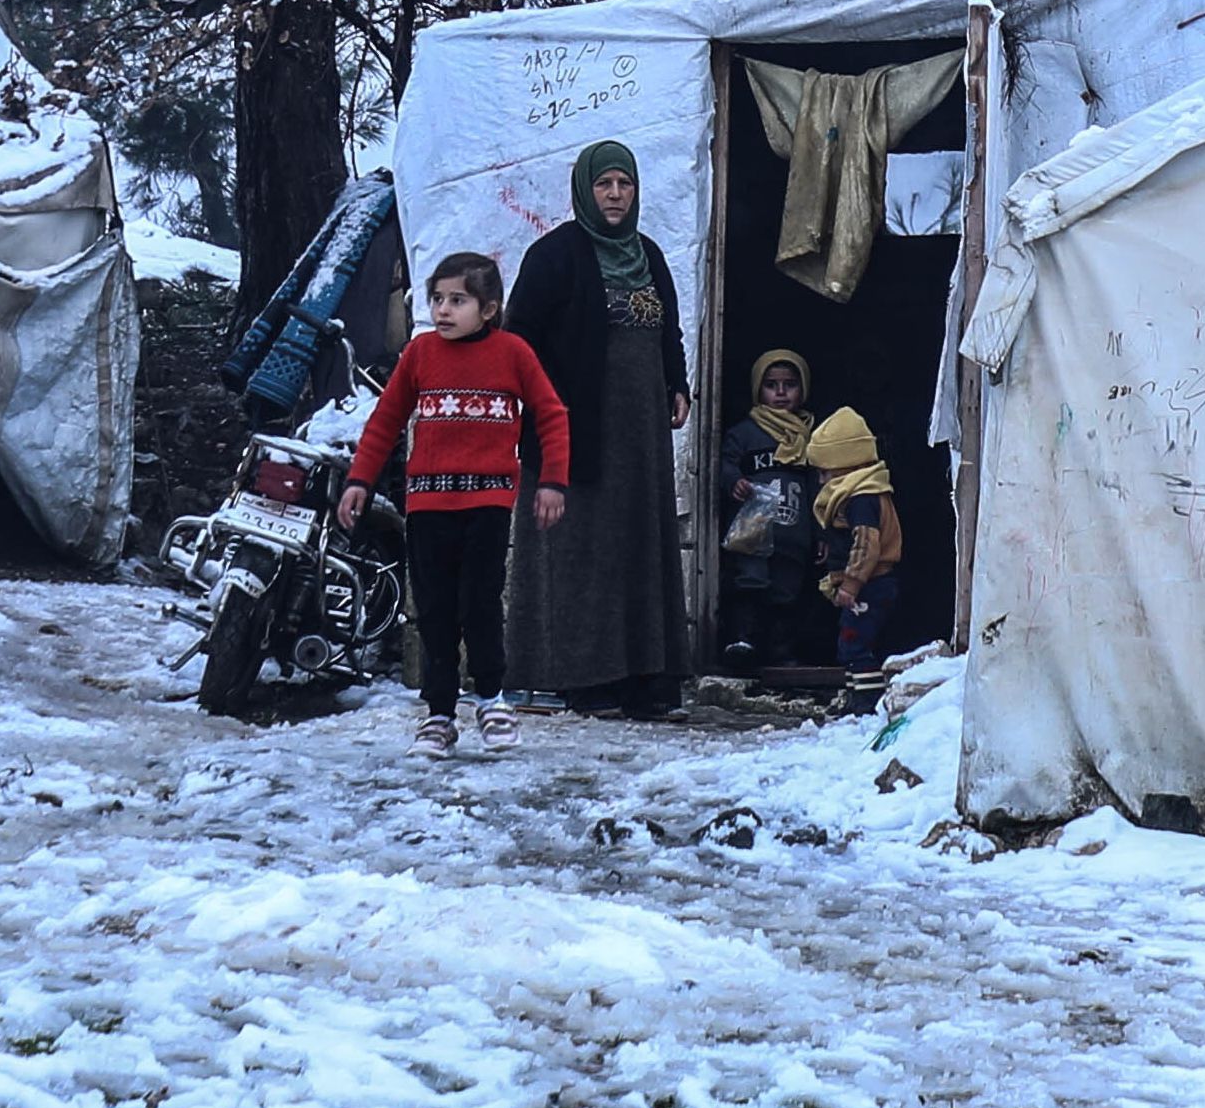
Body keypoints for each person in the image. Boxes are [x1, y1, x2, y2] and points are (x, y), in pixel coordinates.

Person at [340, 247, 566, 755]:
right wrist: (360, 480)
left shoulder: (514, 354)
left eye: (457, 300)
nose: (443, 310)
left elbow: (551, 415)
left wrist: (552, 481)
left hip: (488, 505)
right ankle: (439, 714)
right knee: (436, 613)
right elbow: (385, 421)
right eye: (437, 299)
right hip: (426, 507)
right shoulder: (419, 355)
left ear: (488, 309)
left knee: (480, 604)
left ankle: (491, 700)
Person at [504, 138, 695, 708]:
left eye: (625, 184)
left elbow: (669, 332)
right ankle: (583, 676)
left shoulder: (649, 255)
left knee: (638, 541)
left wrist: (677, 384)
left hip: (639, 435)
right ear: (584, 190)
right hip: (578, 429)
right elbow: (518, 342)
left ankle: (645, 675)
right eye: (604, 184)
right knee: (583, 547)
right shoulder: (554, 256)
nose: (615, 195)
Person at [726, 348, 899, 671]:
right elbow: (723, 464)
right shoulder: (745, 433)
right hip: (753, 529)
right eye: (771, 385)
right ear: (756, 389)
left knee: (786, 592)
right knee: (750, 581)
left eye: (789, 384)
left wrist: (824, 533)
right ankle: (745, 642)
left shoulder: (813, 439)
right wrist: (733, 481)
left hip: (794, 531)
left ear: (803, 388)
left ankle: (781, 652)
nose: (780, 393)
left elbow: (822, 493)